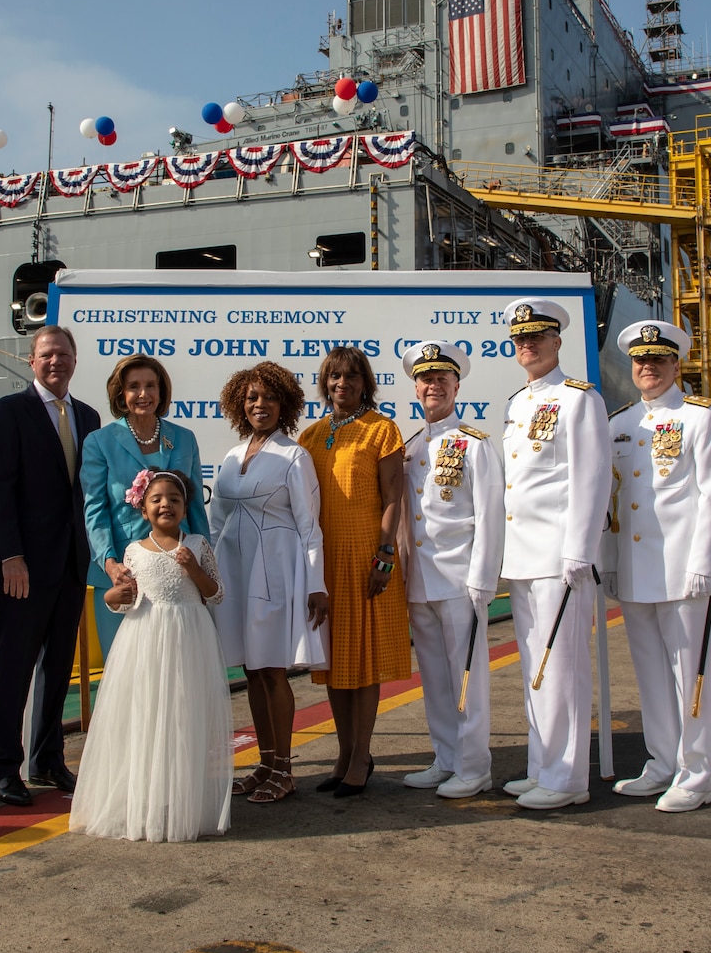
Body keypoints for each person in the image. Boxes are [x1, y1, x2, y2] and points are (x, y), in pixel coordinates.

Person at [599, 321, 711, 813]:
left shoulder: (701, 417)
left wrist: (707, 562)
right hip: (636, 571)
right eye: (640, 360)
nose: (648, 368)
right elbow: (614, 503)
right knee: (650, 675)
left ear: (676, 365)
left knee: (691, 673)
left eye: (658, 360)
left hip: (683, 570)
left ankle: (696, 775)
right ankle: (661, 762)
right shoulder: (620, 424)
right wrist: (610, 563)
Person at [69, 470, 232, 842]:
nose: (166, 505)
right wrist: (112, 598)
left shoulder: (197, 545)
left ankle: (179, 802)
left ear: (185, 506)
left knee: (182, 718)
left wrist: (192, 568)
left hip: (189, 639)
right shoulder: (132, 552)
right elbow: (125, 600)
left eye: (174, 499)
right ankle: (145, 801)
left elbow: (216, 594)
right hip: (144, 641)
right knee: (145, 716)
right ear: (143, 508)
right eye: (156, 499)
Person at [498, 298, 611, 810]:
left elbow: (592, 476)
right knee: (534, 670)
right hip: (524, 557)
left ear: (557, 342)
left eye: (537, 336)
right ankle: (542, 767)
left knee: (561, 669)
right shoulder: (518, 403)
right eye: (521, 338)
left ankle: (567, 780)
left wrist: (580, 550)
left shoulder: (579, 399)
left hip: (559, 558)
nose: (528, 344)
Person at [0, 325, 102, 807]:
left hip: (72, 564)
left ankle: (48, 758)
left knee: (58, 668)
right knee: (13, 667)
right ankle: (5, 767)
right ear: (31, 360)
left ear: (75, 361)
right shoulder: (9, 413)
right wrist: (9, 555)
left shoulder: (88, 417)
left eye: (64, 354)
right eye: (47, 354)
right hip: (23, 567)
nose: (56, 362)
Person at [210, 362, 330, 805]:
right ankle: (265, 762)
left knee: (272, 670)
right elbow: (216, 520)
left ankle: (285, 769)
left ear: (286, 404)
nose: (260, 405)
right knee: (251, 670)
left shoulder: (294, 456)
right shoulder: (229, 456)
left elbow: (309, 526)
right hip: (235, 571)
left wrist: (316, 585)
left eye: (269, 398)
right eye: (252, 398)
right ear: (240, 405)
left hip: (276, 572)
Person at [297, 346, 409, 797]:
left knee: (362, 666)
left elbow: (394, 497)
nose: (342, 383)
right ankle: (343, 754)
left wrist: (384, 556)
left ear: (366, 383)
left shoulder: (382, 430)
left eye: (351, 376)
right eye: (334, 376)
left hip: (367, 559)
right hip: (325, 565)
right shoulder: (310, 435)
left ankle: (362, 755)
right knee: (335, 664)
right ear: (324, 383)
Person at [397, 342, 505, 800]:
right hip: (420, 580)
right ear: (415, 389)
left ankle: (475, 765)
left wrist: (483, 578)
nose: (433, 385)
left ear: (457, 385)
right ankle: (445, 758)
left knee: (466, 676)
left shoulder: (475, 445)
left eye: (442, 378)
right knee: (435, 678)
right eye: (425, 379)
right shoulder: (411, 445)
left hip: (461, 579)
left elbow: (491, 514)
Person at [81, 354, 209, 647]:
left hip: (178, 575)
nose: (143, 394)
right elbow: (95, 510)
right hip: (124, 577)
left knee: (177, 669)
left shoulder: (184, 438)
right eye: (134, 386)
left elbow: (196, 510)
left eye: (151, 385)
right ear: (120, 394)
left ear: (161, 391)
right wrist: (110, 564)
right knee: (126, 674)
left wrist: (203, 566)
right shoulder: (99, 442)